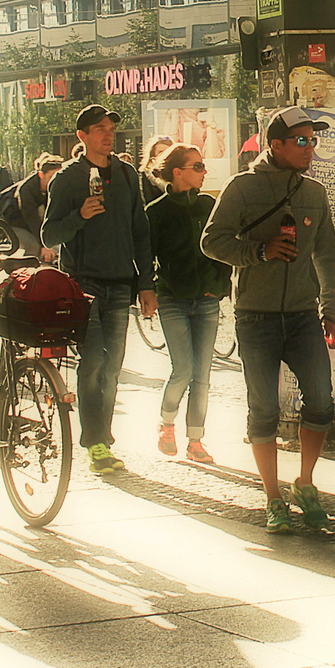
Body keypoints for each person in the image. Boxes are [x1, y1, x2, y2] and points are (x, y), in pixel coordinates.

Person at [201, 105, 335, 534]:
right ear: (274, 144)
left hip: (302, 315)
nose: (309, 148)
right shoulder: (242, 187)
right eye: (300, 141)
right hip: (255, 316)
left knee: (321, 400)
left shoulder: (315, 192)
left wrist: (329, 307)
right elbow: (211, 241)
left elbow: (326, 253)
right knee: (262, 409)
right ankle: (273, 498)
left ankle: (305, 482)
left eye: (312, 140)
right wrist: (257, 253)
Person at [41, 105, 157, 476]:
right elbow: (49, 235)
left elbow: (141, 230)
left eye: (110, 129)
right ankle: (96, 443)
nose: (108, 135)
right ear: (82, 137)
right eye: (99, 129)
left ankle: (102, 438)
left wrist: (146, 284)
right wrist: (80, 216)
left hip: (121, 282)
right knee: (92, 365)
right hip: (84, 284)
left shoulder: (126, 174)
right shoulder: (68, 179)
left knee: (112, 367)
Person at [145, 143, 228, 464]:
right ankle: (166, 424)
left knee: (202, 374)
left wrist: (219, 286)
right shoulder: (157, 211)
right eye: (197, 167)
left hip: (206, 299)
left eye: (204, 166)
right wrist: (149, 291)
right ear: (177, 172)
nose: (204, 172)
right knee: (183, 369)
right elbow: (146, 256)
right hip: (173, 300)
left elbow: (222, 248)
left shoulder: (210, 205)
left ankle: (196, 441)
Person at [8, 152, 63, 264]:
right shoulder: (26, 189)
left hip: (37, 224)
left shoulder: (56, 188)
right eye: (51, 177)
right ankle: (27, 274)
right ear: (41, 175)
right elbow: (32, 219)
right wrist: (44, 245)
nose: (54, 181)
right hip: (16, 224)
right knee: (33, 246)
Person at [140, 135, 176, 202]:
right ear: (153, 154)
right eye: (160, 152)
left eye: (167, 151)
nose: (164, 154)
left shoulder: (178, 172)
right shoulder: (147, 174)